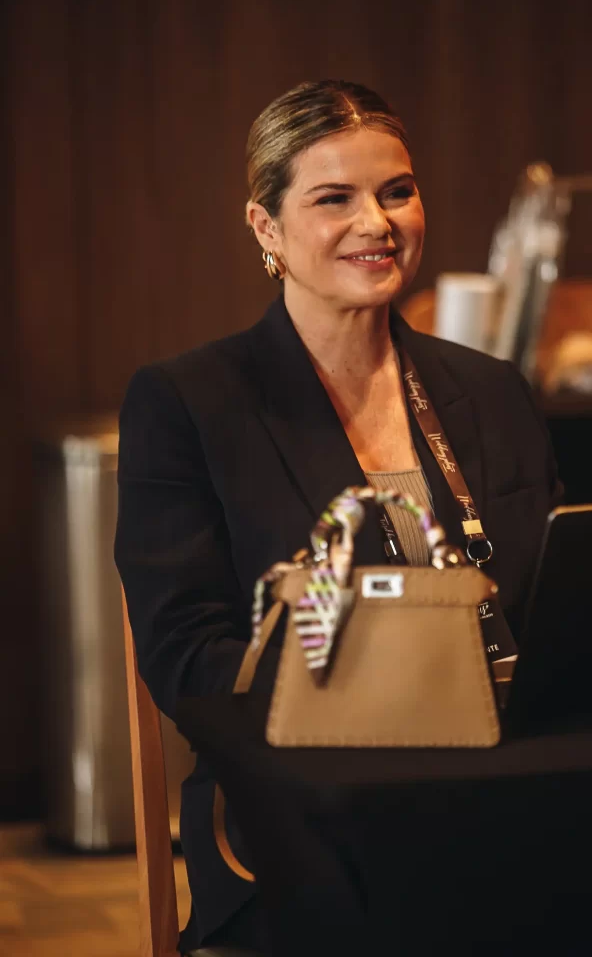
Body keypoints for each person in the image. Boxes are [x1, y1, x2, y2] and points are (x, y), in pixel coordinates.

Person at [115, 79, 562, 954]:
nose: (376, 222)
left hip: (507, 776)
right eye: (334, 199)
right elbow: (186, 658)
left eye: (396, 191)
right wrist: (383, 691)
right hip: (300, 804)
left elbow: (559, 600)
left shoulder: (492, 390)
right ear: (265, 227)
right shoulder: (189, 403)